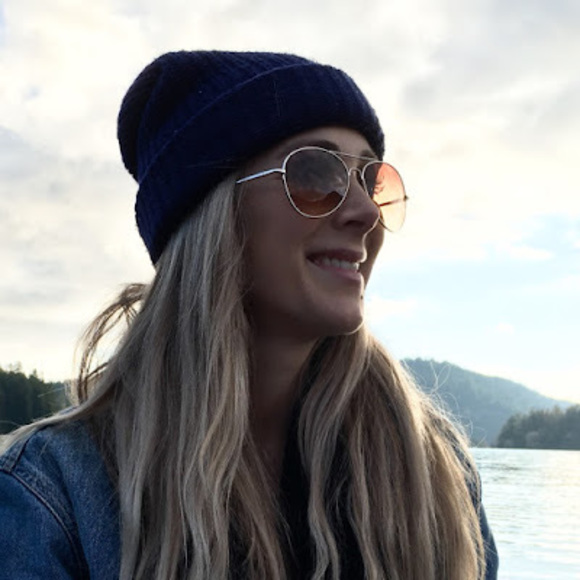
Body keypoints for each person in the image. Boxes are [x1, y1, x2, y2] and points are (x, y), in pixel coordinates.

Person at [0, 50, 499, 579]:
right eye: (316, 173)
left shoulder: (436, 473)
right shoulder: (53, 493)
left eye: (371, 180)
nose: (364, 212)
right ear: (213, 214)